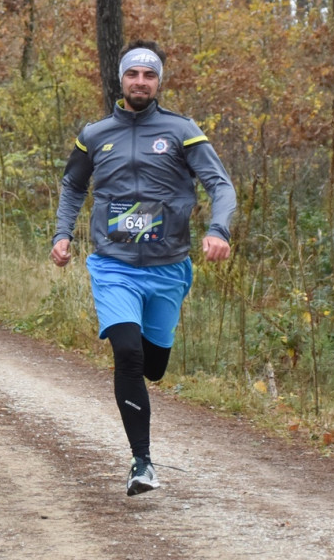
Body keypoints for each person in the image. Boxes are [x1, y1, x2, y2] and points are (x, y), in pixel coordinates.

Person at [51, 40, 236, 496]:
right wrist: (62, 234)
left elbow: (220, 184)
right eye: (132, 73)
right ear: (121, 78)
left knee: (153, 365)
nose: (140, 82)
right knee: (128, 354)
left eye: (148, 75)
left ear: (158, 82)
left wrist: (219, 229)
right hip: (113, 265)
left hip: (168, 267)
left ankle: (149, 380)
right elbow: (73, 185)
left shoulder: (181, 130)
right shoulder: (95, 134)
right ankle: (142, 463)